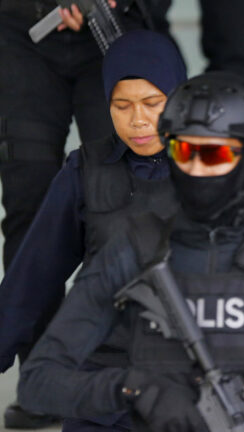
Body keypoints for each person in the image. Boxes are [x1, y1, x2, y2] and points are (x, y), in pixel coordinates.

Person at [16, 72, 244, 432]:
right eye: (184, 151)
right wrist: (133, 389)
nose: (198, 169)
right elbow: (38, 383)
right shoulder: (134, 253)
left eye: (216, 153)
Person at [0, 29, 186, 430]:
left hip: (189, 382)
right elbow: (33, 276)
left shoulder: (216, 166)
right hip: (100, 382)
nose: (138, 119)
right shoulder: (85, 170)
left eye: (153, 103)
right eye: (122, 105)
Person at [0, 0, 182, 277]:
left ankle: (124, 320)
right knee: (29, 193)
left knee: (123, 193)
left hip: (115, 24)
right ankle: (26, 325)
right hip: (23, 24)